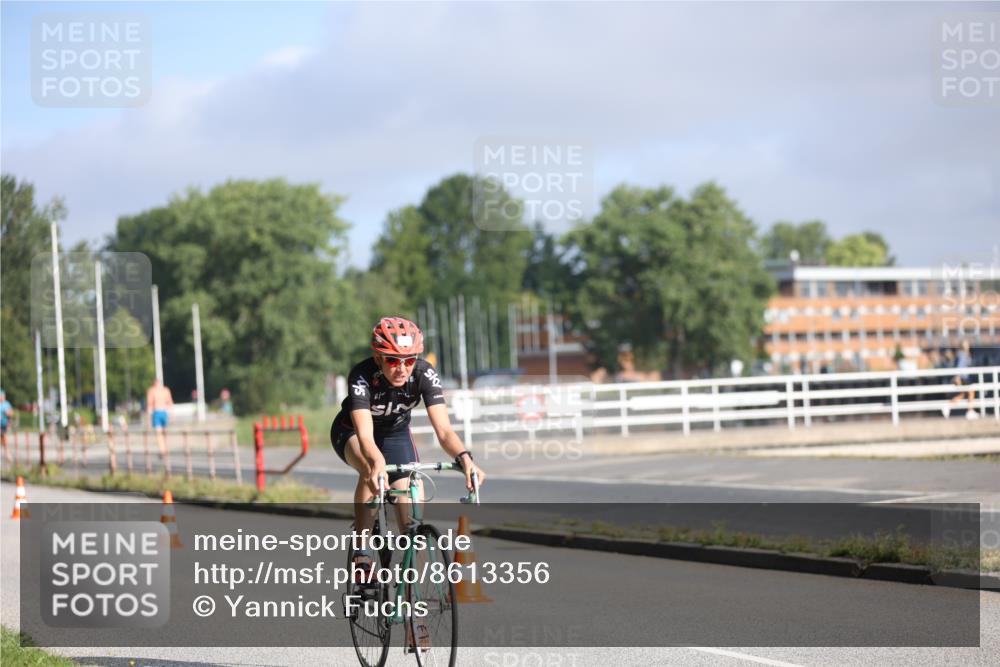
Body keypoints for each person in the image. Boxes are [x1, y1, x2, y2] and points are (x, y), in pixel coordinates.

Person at [329, 317, 486, 648]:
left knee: (410, 530)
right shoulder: (361, 376)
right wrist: (376, 462)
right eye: (392, 360)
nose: (401, 368)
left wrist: (466, 458)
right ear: (377, 358)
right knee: (372, 470)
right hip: (355, 434)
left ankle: (415, 615)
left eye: (408, 360)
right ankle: (361, 550)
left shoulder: (424, 374)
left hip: (398, 435)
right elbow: (366, 434)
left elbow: (444, 431)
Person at [942, 341, 978, 420]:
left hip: (963, 377)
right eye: (966, 345)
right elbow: (960, 366)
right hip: (962, 377)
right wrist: (957, 378)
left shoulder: (965, 354)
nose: (968, 346)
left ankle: (948, 406)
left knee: (963, 394)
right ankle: (970, 411)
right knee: (971, 392)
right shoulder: (962, 354)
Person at [146, 379, 174, 466]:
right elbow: (170, 403)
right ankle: (163, 449)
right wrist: (171, 414)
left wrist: (149, 417)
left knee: (160, 433)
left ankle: (163, 449)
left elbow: (150, 404)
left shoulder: (153, 391)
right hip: (161, 412)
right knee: (161, 433)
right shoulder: (164, 390)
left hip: (158, 413)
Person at [0, 389, 13, 464]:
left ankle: (7, 453)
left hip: (4, 424)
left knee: (3, 437)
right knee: (2, 438)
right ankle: (7, 453)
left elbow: (11, 414)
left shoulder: (6, 404)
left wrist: (7, 413)